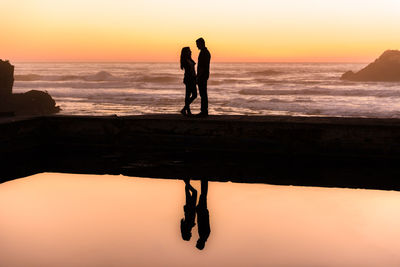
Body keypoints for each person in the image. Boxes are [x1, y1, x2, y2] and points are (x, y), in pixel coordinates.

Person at [196, 38, 211, 117]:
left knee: (203, 94)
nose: (197, 46)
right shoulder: (206, 52)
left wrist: (198, 77)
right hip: (204, 75)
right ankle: (204, 111)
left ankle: (204, 111)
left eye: (197, 44)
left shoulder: (203, 53)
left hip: (202, 76)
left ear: (201, 43)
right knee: (203, 93)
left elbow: (202, 67)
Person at [180, 47, 197, 116]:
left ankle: (184, 109)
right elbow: (188, 71)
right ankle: (187, 110)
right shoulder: (185, 60)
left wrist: (196, 78)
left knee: (193, 95)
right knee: (190, 95)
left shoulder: (189, 59)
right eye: (189, 51)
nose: (191, 51)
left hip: (192, 78)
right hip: (189, 79)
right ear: (186, 52)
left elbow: (193, 70)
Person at [196, 179, 210, 250]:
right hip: (202, 211)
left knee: (203, 195)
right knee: (203, 195)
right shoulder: (203, 235)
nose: (196, 241)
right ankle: (204, 181)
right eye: (197, 243)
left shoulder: (203, 236)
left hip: (202, 211)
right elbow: (203, 221)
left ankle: (204, 181)